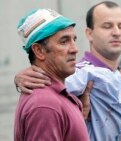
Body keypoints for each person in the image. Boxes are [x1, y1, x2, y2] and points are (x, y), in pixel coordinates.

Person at [14, 1, 121, 141]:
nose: (116, 32)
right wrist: (22, 77)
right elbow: (47, 88)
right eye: (107, 26)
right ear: (89, 33)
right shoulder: (79, 77)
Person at [14, 8, 90, 141]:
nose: (75, 49)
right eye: (64, 41)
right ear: (39, 51)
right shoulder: (45, 105)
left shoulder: (54, 97)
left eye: (74, 40)